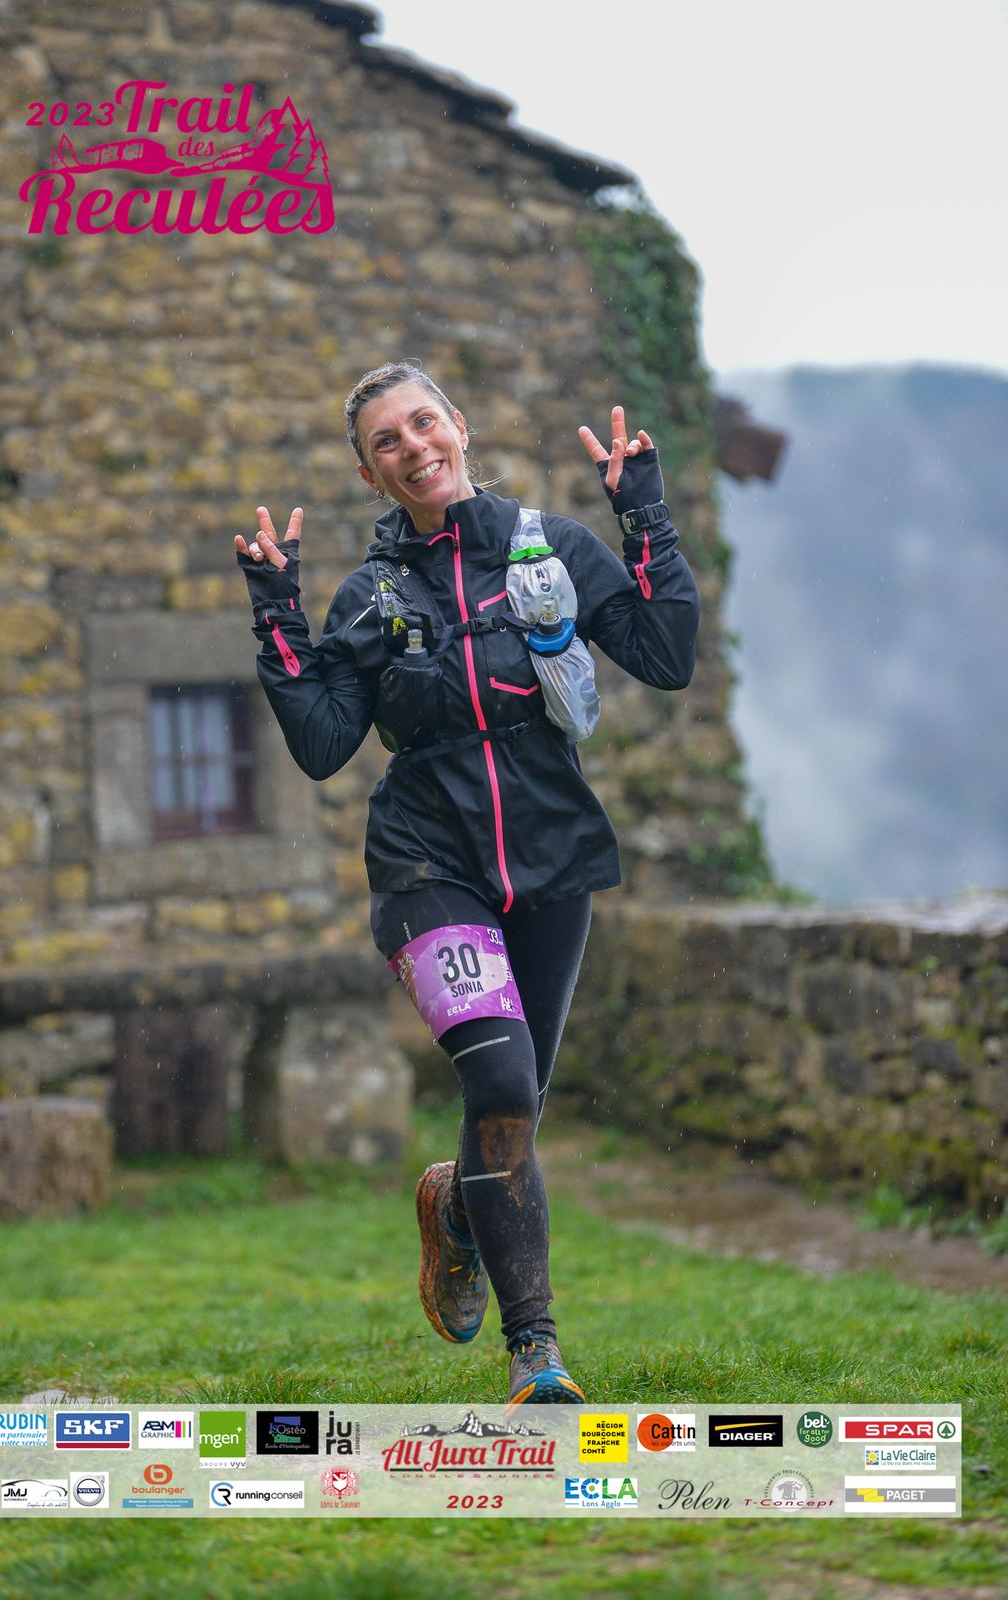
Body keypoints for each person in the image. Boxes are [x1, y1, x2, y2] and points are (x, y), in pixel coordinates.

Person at [235, 361, 700, 1406]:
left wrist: (644, 519)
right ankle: (536, 1350)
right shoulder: (371, 596)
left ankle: (455, 1206)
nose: (413, 448)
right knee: (496, 1086)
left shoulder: (550, 548)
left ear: (458, 425)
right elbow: (321, 744)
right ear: (370, 474)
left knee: (516, 1101)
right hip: (425, 864)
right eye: (386, 442)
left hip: (550, 856)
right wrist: (278, 617)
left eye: (422, 423)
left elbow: (665, 652)